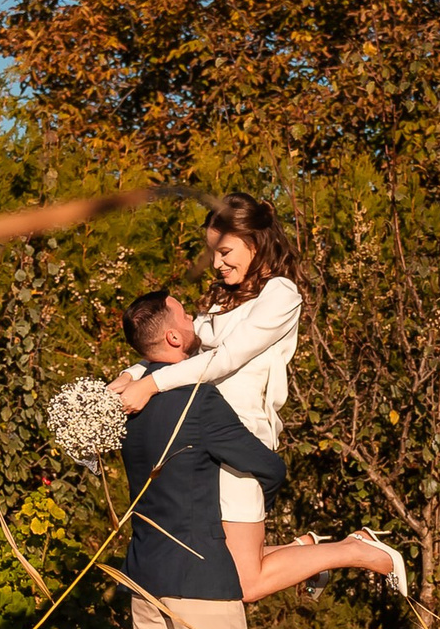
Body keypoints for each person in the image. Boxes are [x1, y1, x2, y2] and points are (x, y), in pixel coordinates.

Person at [111, 192, 408, 600]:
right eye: (213, 253)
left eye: (225, 251)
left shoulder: (280, 296)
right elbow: (181, 345)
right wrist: (129, 374)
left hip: (241, 439)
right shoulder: (220, 298)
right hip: (202, 443)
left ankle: (354, 551)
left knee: (244, 584)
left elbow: (228, 359)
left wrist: (149, 385)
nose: (217, 263)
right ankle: (309, 548)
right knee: (225, 564)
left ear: (255, 241)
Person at [119, 290, 286, 629]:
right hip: (202, 575)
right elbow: (266, 464)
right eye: (186, 316)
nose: (195, 322)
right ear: (172, 337)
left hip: (144, 573)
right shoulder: (195, 398)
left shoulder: (122, 398)